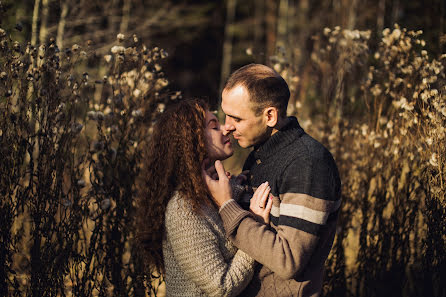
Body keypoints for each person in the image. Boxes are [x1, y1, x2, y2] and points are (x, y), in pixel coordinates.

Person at [202, 64, 342, 297]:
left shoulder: (308, 164)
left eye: (236, 118)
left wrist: (228, 206)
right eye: (226, 114)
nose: (227, 126)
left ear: (270, 115)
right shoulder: (258, 156)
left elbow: (288, 260)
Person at [135, 99, 272, 297]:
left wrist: (236, 190)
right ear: (192, 140)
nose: (226, 129)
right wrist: (256, 227)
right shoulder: (183, 209)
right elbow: (221, 286)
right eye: (214, 126)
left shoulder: (209, 192)